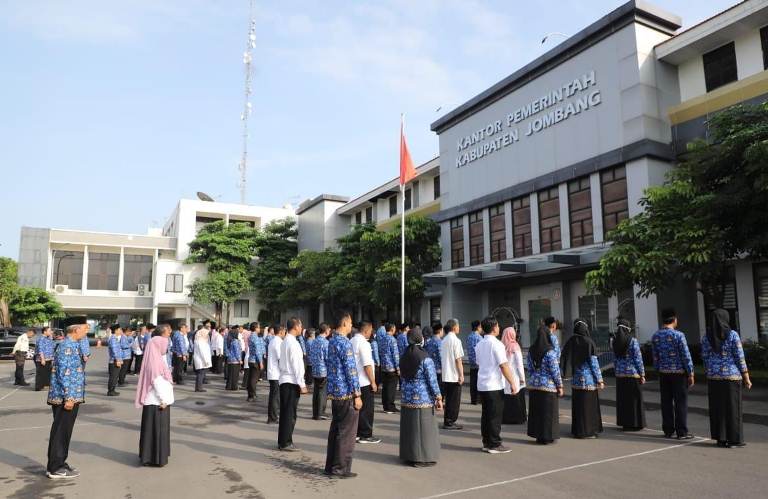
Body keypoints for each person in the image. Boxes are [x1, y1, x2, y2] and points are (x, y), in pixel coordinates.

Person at [702, 308, 752, 448]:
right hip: (731, 377)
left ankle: (720, 438)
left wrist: (709, 371)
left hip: (713, 377)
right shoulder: (733, 335)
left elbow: (705, 357)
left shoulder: (707, 337)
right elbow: (739, 357)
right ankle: (734, 439)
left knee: (717, 408)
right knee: (733, 409)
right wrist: (746, 377)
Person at [46, 321, 88, 479]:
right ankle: (54, 467)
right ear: (76, 330)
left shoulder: (73, 345)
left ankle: (60, 462)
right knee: (60, 432)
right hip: (66, 398)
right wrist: (69, 397)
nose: (85, 333)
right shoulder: (67, 346)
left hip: (70, 395)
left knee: (65, 432)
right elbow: (65, 373)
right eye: (84, 329)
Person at [324, 313, 362, 478]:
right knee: (346, 433)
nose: (351, 325)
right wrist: (357, 394)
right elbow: (351, 371)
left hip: (335, 392)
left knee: (337, 430)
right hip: (346, 393)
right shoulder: (344, 343)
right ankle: (340, 468)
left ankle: (331, 466)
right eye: (350, 322)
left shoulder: (332, 340)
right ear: (345, 322)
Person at [399, 328, 443, 467]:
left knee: (410, 428)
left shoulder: (404, 355)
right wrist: (438, 397)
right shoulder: (425, 358)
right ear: (420, 339)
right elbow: (432, 380)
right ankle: (420, 458)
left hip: (407, 397)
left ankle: (409, 456)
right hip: (423, 398)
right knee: (423, 429)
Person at [475, 316, 519, 453]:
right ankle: (494, 444)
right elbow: (504, 365)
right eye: (498, 326)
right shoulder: (497, 344)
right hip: (493, 385)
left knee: (486, 415)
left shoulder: (479, 344)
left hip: (482, 384)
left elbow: (478, 362)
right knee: (495, 416)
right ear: (494, 328)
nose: (499, 328)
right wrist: (512, 382)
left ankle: (487, 442)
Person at [651, 308, 695, 439]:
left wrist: (658, 369)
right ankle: (681, 431)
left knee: (666, 402)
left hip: (664, 373)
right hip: (679, 374)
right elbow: (685, 355)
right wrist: (690, 373)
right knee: (680, 402)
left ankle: (668, 430)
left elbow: (655, 357)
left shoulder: (656, 336)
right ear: (674, 319)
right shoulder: (679, 335)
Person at [135, 335, 175, 467]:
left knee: (150, 431)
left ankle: (147, 457)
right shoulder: (155, 361)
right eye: (164, 344)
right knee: (158, 431)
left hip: (153, 401)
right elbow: (157, 382)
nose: (166, 347)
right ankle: (156, 459)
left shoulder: (154, 358)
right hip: (157, 402)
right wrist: (164, 399)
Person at [561, 319, 605, 439]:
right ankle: (588, 431)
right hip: (588, 380)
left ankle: (578, 430)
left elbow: (564, 358)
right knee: (588, 407)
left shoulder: (570, 341)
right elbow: (593, 363)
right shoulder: (588, 342)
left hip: (575, 380)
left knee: (579, 406)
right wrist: (600, 380)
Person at [527, 325, 564, 444]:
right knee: (548, 413)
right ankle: (548, 436)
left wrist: (535, 377)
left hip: (534, 385)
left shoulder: (531, 350)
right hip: (548, 386)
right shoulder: (550, 352)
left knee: (536, 412)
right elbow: (555, 370)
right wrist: (560, 386)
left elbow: (530, 368)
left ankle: (538, 436)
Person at [278, 318, 307, 451]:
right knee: (289, 414)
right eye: (300, 326)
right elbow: (297, 365)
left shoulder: (285, 341)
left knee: (285, 413)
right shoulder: (292, 343)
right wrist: (302, 383)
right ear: (296, 327)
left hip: (285, 380)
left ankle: (283, 441)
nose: (301, 328)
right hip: (291, 380)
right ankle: (286, 442)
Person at [613, 318, 646, 431]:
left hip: (620, 375)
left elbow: (615, 359)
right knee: (634, 399)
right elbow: (638, 358)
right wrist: (642, 374)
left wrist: (617, 371)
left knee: (623, 400)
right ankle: (636, 423)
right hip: (633, 374)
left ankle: (625, 423)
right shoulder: (633, 341)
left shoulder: (615, 341)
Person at [351, 321, 380, 444]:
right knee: (367, 409)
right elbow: (367, 364)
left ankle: (357, 433)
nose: (371, 333)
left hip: (355, 380)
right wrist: (373, 382)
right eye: (371, 330)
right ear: (366, 330)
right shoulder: (364, 343)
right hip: (364, 381)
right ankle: (365, 434)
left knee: (357, 409)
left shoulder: (352, 341)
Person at [440, 319, 465, 430]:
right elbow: (458, 360)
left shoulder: (444, 340)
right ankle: (450, 421)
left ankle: (447, 420)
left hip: (445, 374)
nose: (459, 328)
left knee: (449, 399)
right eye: (458, 326)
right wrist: (461, 374)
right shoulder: (456, 341)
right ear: (454, 327)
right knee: (454, 401)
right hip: (454, 375)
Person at [501, 326, 527, 424]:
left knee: (506, 398)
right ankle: (517, 418)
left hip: (504, 375)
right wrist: (522, 378)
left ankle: (505, 418)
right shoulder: (515, 346)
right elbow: (519, 364)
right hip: (514, 376)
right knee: (516, 397)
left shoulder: (501, 345)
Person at [309, 323, 330, 420]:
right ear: (326, 331)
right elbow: (327, 358)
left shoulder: (314, 341)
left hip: (315, 369)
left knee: (316, 391)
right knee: (322, 392)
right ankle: (320, 412)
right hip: (323, 370)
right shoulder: (325, 342)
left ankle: (315, 413)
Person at [379, 323, 400, 414]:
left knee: (385, 387)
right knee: (391, 388)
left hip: (383, 367)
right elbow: (395, 355)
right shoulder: (392, 340)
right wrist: (398, 368)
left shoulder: (382, 339)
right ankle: (390, 407)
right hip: (391, 367)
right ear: (392, 329)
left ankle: (385, 406)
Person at [266, 325, 285, 424]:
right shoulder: (278, 342)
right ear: (281, 332)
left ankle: (272, 416)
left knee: (273, 395)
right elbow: (280, 357)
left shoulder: (273, 341)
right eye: (284, 331)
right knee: (275, 396)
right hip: (276, 373)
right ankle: (273, 417)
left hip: (272, 372)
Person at [245, 322, 265, 401]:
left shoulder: (251, 336)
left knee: (251, 378)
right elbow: (258, 351)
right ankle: (252, 395)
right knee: (254, 379)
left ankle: (251, 395)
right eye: (259, 327)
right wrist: (260, 362)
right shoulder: (255, 337)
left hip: (251, 359)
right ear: (256, 328)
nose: (259, 329)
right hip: (255, 360)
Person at [466, 320, 483, 405]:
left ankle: (473, 399)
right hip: (479, 364)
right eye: (480, 327)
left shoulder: (469, 336)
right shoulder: (479, 338)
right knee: (478, 382)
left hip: (471, 363)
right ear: (477, 327)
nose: (481, 328)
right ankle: (478, 399)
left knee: (473, 382)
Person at [424, 324, 443, 396]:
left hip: (430, 368)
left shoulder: (429, 341)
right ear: (440, 330)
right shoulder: (439, 342)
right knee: (439, 388)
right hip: (438, 369)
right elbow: (441, 356)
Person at [35, 326, 55, 391]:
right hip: (42, 359)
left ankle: (45, 385)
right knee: (40, 373)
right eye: (49, 331)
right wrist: (42, 359)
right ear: (45, 332)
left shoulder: (48, 339)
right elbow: (40, 349)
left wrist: (52, 358)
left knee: (47, 373)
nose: (51, 332)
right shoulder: (41, 339)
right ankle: (38, 387)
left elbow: (52, 348)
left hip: (48, 358)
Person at [193, 326, 212, 392]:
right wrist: (206, 361)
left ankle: (198, 387)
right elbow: (203, 353)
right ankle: (199, 388)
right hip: (201, 360)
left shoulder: (198, 340)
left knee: (200, 374)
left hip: (200, 360)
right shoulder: (201, 341)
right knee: (200, 374)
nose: (207, 335)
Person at [107, 325, 124, 396]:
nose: (121, 331)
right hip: (114, 360)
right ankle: (111, 391)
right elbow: (114, 350)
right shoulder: (113, 338)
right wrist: (118, 360)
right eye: (120, 329)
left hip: (115, 360)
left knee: (115, 376)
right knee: (113, 376)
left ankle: (112, 390)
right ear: (116, 330)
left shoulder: (114, 338)